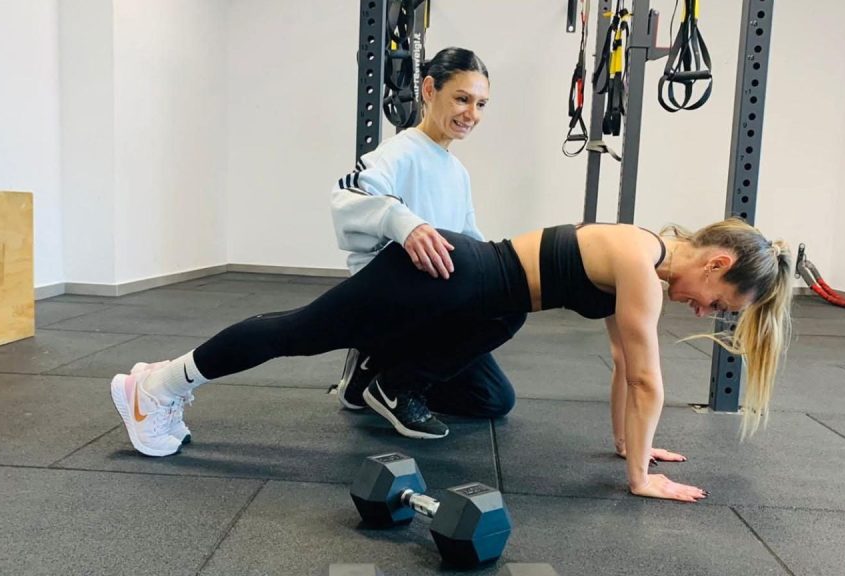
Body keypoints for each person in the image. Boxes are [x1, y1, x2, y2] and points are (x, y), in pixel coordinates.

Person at [110, 218, 793, 503]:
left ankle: (372, 367)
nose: (708, 312)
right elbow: (646, 374)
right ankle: (158, 386)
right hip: (452, 277)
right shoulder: (642, 263)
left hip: (476, 301)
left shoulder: (643, 257)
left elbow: (624, 367)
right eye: (721, 301)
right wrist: (643, 480)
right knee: (301, 331)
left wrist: (630, 448)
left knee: (484, 387)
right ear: (716, 261)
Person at [327, 46, 525, 440]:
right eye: (462, 99)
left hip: (439, 296)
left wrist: (507, 272)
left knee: (494, 400)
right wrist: (404, 223)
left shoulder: (457, 172)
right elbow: (347, 198)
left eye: (481, 103)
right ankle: (392, 381)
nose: (472, 114)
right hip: (393, 297)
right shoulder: (397, 154)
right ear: (430, 90)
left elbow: (470, 239)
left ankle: (378, 374)